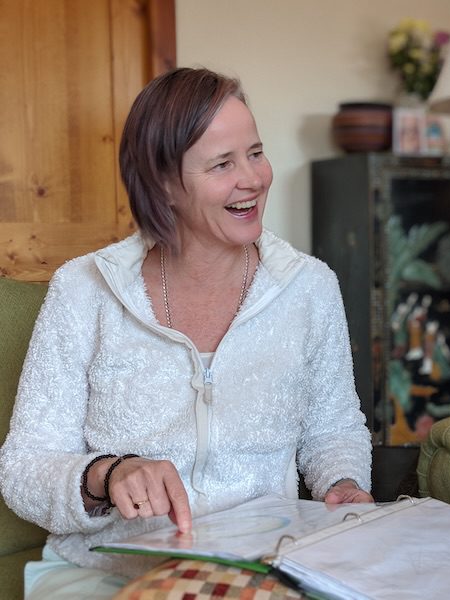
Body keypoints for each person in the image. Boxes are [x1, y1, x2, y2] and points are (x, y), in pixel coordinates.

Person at [0, 67, 373, 599]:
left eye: (256, 153)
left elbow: (333, 429)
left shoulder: (309, 287)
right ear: (164, 184)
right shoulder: (84, 290)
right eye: (223, 164)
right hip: (110, 573)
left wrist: (343, 484)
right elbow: (23, 469)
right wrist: (110, 474)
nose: (253, 178)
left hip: (262, 571)